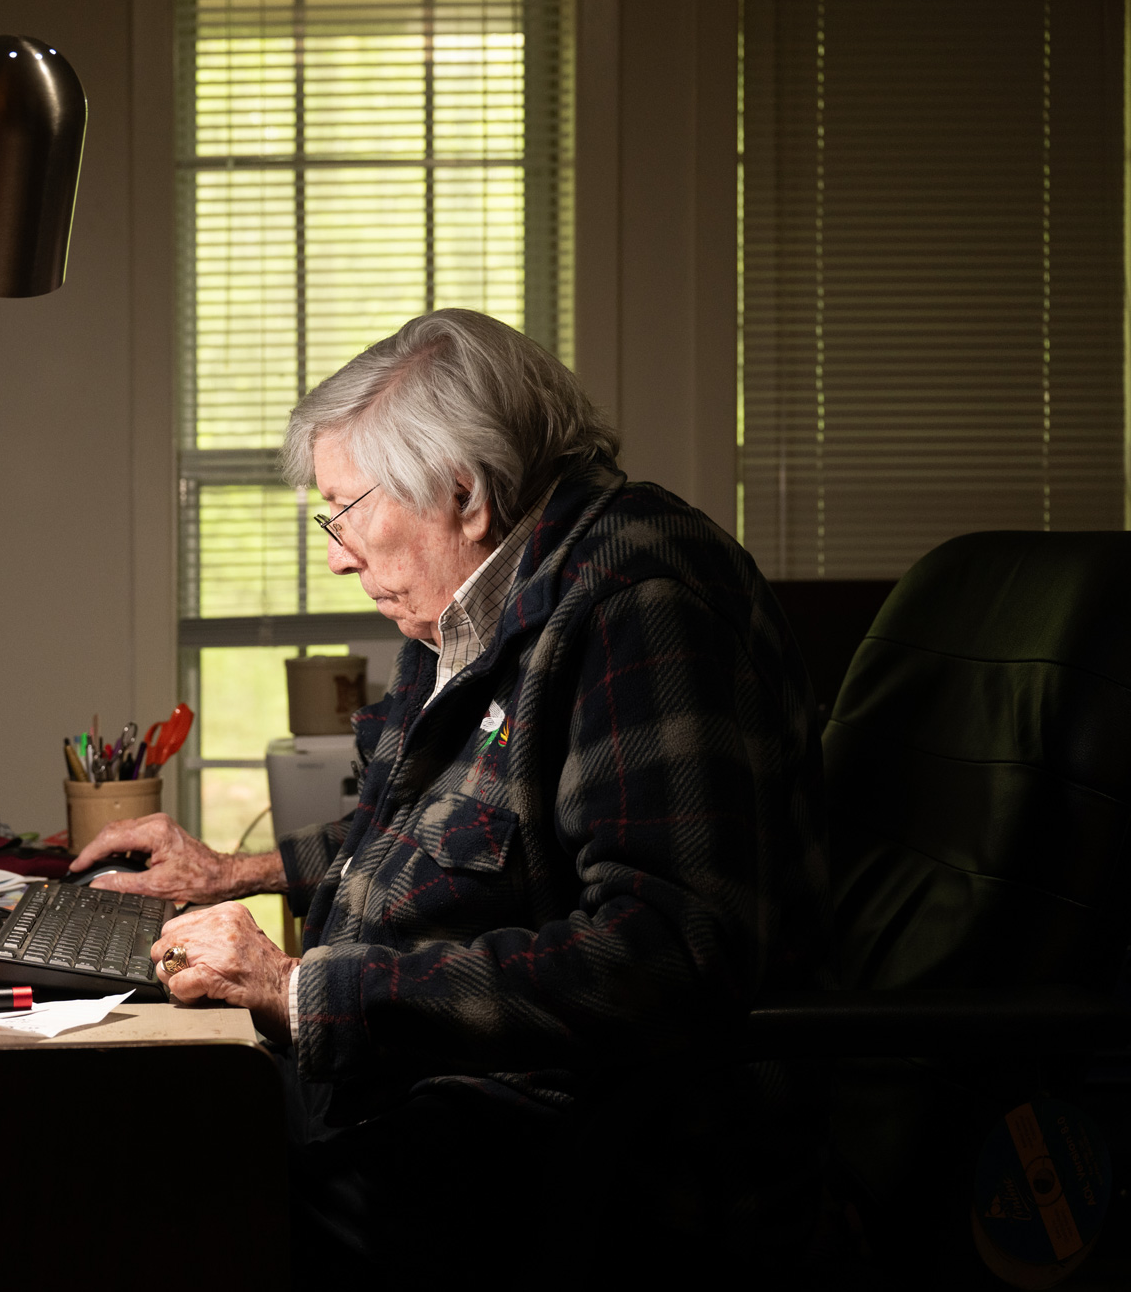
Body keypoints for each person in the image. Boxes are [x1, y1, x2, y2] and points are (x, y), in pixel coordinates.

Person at [68, 309, 829, 1285]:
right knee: (135, 1116)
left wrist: (298, 988)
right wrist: (235, 871)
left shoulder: (638, 600)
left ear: (462, 493)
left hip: (581, 1162)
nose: (336, 552)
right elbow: (463, 827)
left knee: (140, 1191)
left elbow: (668, 950)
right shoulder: (487, 600)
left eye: (343, 510)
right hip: (429, 1095)